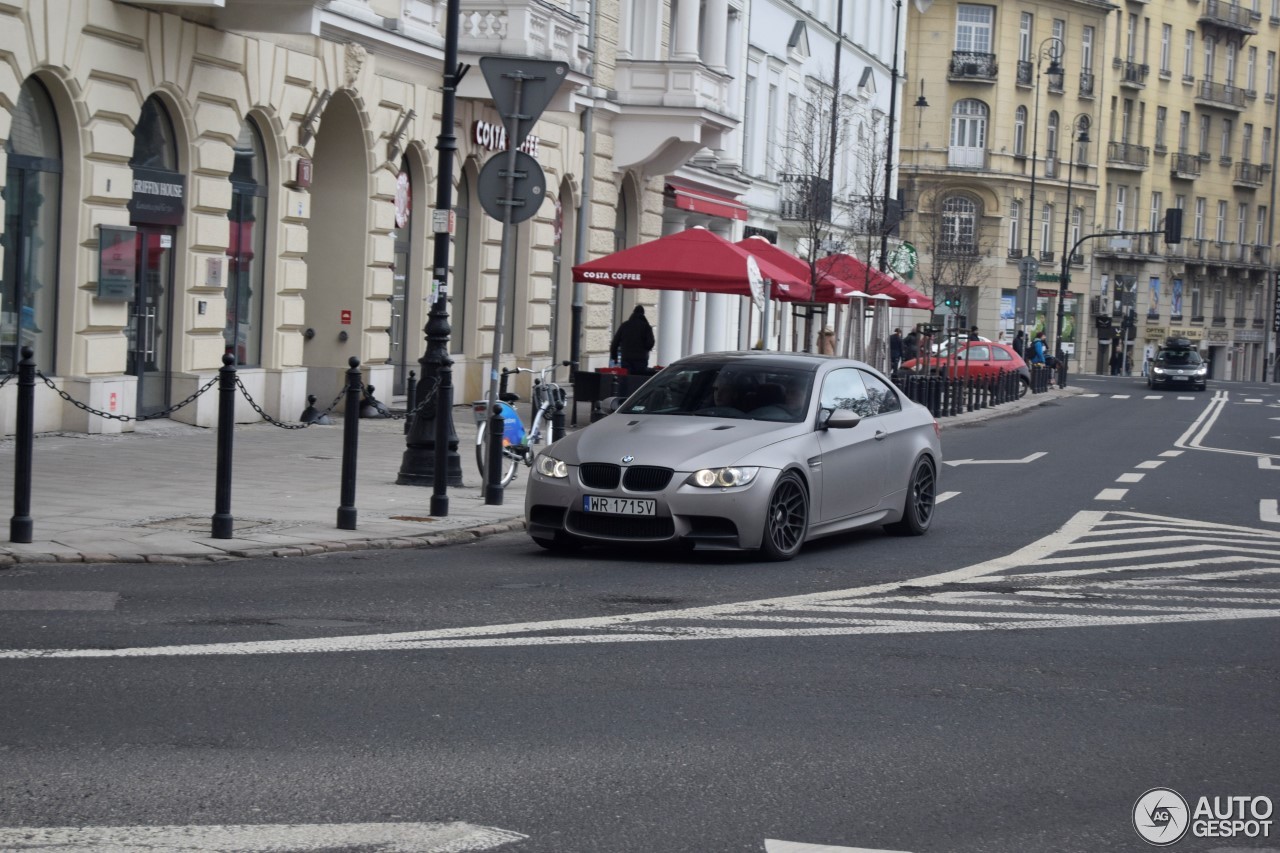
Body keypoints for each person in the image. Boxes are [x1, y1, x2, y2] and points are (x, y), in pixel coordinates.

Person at [610, 305, 655, 374]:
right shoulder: (646, 327)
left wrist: (614, 357)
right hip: (641, 359)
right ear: (643, 314)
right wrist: (645, 349)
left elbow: (615, 342)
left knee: (626, 379)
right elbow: (650, 343)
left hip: (626, 358)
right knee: (638, 379)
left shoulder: (624, 325)